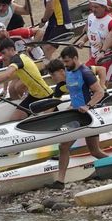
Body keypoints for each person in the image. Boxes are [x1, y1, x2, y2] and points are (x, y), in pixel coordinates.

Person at [46, 47, 107, 188]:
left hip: (87, 116)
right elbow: (75, 94)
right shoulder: (68, 72)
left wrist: (88, 106)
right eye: (64, 62)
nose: (65, 64)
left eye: (67, 61)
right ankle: (60, 181)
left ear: (75, 58)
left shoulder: (86, 73)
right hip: (76, 115)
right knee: (92, 150)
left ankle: (60, 181)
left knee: (66, 146)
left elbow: (99, 92)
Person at [0, 39, 54, 121]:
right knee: (14, 120)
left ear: (12, 49)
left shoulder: (18, 60)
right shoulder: (19, 58)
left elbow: (6, 75)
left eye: (4, 53)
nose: (3, 57)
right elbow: (7, 75)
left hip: (46, 96)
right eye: (1, 54)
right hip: (33, 96)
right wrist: (4, 89)